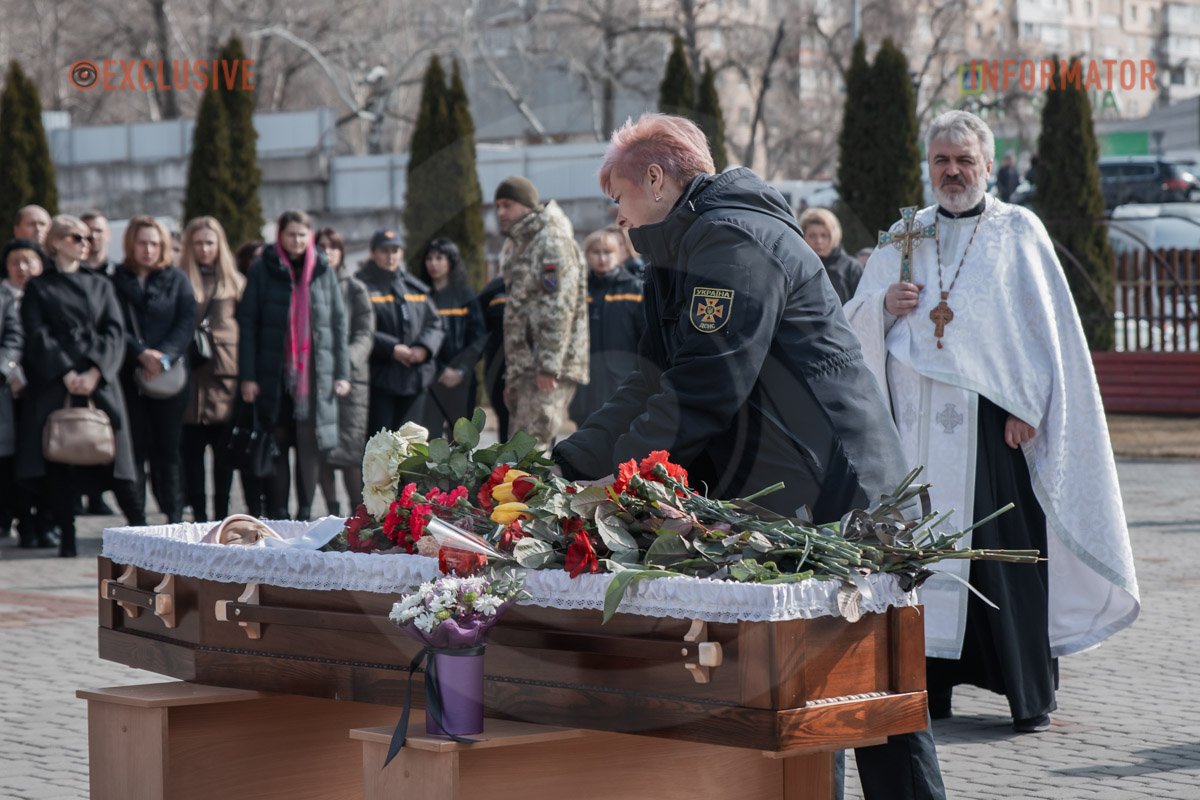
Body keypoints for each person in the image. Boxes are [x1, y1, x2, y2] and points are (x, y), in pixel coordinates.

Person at [552, 113, 946, 800]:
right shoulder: (678, 251)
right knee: (804, 696)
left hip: (841, 495)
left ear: (655, 176)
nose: (615, 216)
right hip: (788, 490)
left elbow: (706, 388)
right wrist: (563, 466)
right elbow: (648, 381)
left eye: (619, 195)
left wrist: (611, 480)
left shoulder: (734, 241)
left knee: (870, 701)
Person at [844, 109, 1140, 733]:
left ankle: (1026, 693)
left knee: (1004, 560)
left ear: (986, 163)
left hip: (990, 427)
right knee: (924, 558)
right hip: (917, 428)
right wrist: (883, 308)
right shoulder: (905, 234)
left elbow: (1045, 331)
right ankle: (931, 690)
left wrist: (1029, 406)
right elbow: (853, 326)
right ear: (929, 167)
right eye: (941, 161)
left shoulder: (1016, 230)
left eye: (964, 160)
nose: (952, 172)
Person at [16, 216, 141, 557]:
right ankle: (67, 538)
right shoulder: (39, 288)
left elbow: (115, 331)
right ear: (56, 242)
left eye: (87, 237)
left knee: (119, 459)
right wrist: (67, 372)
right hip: (57, 381)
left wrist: (96, 371)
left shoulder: (101, 285)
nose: (84, 242)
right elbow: (37, 335)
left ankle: (144, 533)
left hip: (99, 381)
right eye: (76, 237)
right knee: (59, 457)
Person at [238, 210, 351, 520]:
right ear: (280, 236)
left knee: (309, 449)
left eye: (303, 235)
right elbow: (248, 324)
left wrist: (342, 372)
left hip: (314, 377)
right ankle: (278, 513)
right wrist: (247, 376)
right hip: (273, 375)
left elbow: (338, 325)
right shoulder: (264, 268)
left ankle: (303, 513)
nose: (297, 241)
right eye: (291, 234)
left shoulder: (323, 270)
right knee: (277, 443)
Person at [494, 176, 588, 450]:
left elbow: (557, 307)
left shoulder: (550, 240)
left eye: (507, 205)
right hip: (527, 367)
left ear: (527, 206)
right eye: (497, 206)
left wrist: (548, 366)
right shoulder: (524, 242)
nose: (500, 213)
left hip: (546, 368)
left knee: (530, 452)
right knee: (520, 451)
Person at [113, 216, 196, 525]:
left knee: (169, 451)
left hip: (170, 377)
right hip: (130, 376)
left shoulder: (176, 279)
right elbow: (114, 324)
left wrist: (163, 358)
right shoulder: (116, 280)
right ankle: (137, 520)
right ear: (131, 245)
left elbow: (186, 322)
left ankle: (173, 516)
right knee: (135, 450)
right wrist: (141, 354)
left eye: (154, 243)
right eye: (142, 243)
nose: (148, 249)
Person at [179, 217, 244, 522]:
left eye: (210, 242)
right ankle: (200, 517)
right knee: (191, 459)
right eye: (198, 243)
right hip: (188, 383)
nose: (204, 249)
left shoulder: (236, 285)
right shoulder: (178, 281)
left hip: (224, 384)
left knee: (224, 461)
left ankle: (221, 518)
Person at [356, 228, 444, 436]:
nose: (390, 256)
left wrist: (423, 348)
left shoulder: (413, 287)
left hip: (414, 379)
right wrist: (392, 348)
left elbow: (434, 323)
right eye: (384, 250)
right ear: (373, 253)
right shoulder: (362, 286)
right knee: (381, 446)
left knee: (411, 447)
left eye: (395, 250)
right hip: (381, 380)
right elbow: (358, 328)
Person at [315, 227, 373, 516]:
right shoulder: (309, 287)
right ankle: (331, 514)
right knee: (323, 452)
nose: (327, 252)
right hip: (318, 381)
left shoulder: (355, 288)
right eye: (321, 246)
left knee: (351, 453)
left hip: (352, 380)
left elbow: (365, 333)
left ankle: (357, 515)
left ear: (342, 252)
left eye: (333, 246)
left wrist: (343, 364)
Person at [568, 227, 645, 425]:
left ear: (619, 254)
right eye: (596, 252)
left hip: (622, 379)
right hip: (586, 381)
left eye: (608, 252)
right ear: (587, 255)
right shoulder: (578, 289)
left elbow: (645, 337)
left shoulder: (634, 288)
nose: (602, 258)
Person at [416, 238, 486, 438]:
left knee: (462, 442)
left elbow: (478, 337)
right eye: (429, 258)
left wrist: (461, 370)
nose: (433, 263)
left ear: (451, 261)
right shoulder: (421, 295)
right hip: (430, 380)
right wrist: (438, 369)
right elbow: (417, 337)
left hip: (461, 380)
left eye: (439, 258)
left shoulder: (465, 294)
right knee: (429, 440)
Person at [77, 210, 119, 515]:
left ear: (108, 235)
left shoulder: (117, 275)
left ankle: (104, 493)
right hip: (80, 368)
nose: (92, 238)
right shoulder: (72, 277)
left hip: (113, 367)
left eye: (98, 231)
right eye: (86, 232)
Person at [1, 240, 42, 544]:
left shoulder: (46, 295)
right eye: (16, 262)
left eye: (28, 261)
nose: (22, 268)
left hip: (38, 389)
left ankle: (32, 522)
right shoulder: (4, 296)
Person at [798, 207, 862, 304]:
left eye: (824, 235)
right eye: (812, 236)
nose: (818, 241)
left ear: (833, 235)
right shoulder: (797, 267)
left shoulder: (851, 268)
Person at [476, 274, 510, 441]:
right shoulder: (494, 289)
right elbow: (478, 327)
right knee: (505, 418)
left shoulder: (540, 282)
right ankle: (507, 467)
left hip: (534, 370)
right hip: (497, 367)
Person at [80, 210, 119, 278]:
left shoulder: (119, 274)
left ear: (108, 234)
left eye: (99, 230)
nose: (93, 235)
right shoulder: (72, 273)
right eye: (88, 231)